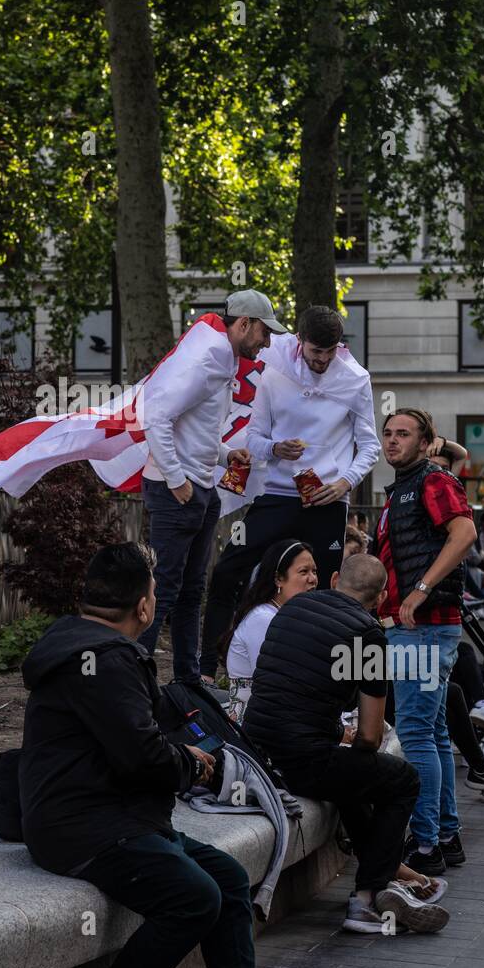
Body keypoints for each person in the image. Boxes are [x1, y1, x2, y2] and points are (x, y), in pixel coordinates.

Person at [18, 541, 315, 968]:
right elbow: (142, 757)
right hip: (86, 826)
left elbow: (128, 746)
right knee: (193, 896)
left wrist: (173, 757)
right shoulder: (104, 661)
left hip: (113, 814)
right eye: (155, 591)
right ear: (144, 607)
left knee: (225, 877)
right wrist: (192, 763)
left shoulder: (82, 647)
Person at [242, 554, 450, 934]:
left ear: (335, 578)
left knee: (352, 780)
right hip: (300, 761)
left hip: (254, 749)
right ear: (383, 596)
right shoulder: (369, 636)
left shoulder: (294, 607)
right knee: (402, 778)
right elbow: (370, 737)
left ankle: (388, 874)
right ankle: (368, 899)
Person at [199, 305, 380, 680]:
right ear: (300, 342)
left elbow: (370, 446)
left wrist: (345, 482)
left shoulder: (355, 379)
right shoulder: (274, 370)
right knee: (227, 568)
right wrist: (275, 449)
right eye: (317, 352)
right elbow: (254, 436)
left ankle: (324, 678)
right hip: (277, 494)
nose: (323, 360)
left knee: (328, 591)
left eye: (331, 353)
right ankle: (205, 669)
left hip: (327, 501)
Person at [138, 289, 288, 686]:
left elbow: (194, 429)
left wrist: (225, 456)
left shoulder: (220, 360)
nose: (267, 342)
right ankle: (135, 679)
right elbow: (154, 416)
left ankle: (188, 681)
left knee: (190, 591)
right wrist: (176, 480)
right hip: (180, 492)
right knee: (167, 587)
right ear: (243, 325)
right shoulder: (209, 361)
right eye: (264, 333)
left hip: (197, 489)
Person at [374, 408, 477, 877]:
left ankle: (426, 845)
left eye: (404, 434)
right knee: (432, 732)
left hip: (424, 626)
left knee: (415, 732)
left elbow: (465, 533)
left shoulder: (432, 481)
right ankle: (446, 835)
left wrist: (420, 589)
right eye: (388, 433)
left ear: (425, 442)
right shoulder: (403, 489)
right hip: (416, 625)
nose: (393, 441)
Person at [224, 540, 317, 723]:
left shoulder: (289, 616)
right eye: (303, 572)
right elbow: (274, 685)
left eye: (314, 571)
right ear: (278, 579)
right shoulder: (263, 619)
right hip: (258, 725)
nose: (313, 579)